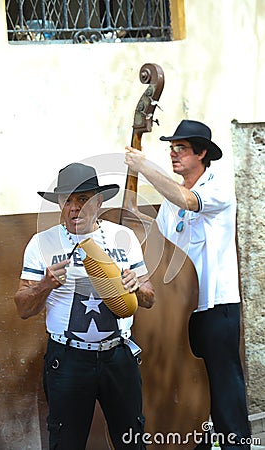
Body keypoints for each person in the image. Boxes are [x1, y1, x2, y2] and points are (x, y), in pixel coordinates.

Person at [125, 120, 251, 450]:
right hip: (181, 307)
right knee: (188, 379)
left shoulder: (218, 188)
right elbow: (164, 244)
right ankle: (199, 440)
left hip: (216, 304)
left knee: (223, 380)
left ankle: (235, 444)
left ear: (202, 153)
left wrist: (144, 167)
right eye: (171, 149)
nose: (174, 154)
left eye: (181, 149)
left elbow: (189, 200)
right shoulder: (170, 200)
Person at [14, 162, 155, 450]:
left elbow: (150, 297)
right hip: (68, 359)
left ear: (99, 201)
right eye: (68, 200)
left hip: (118, 355)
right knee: (66, 442)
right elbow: (23, 308)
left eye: (83, 199)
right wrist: (44, 284)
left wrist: (136, 286)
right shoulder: (42, 243)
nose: (74, 208)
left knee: (132, 440)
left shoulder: (122, 238)